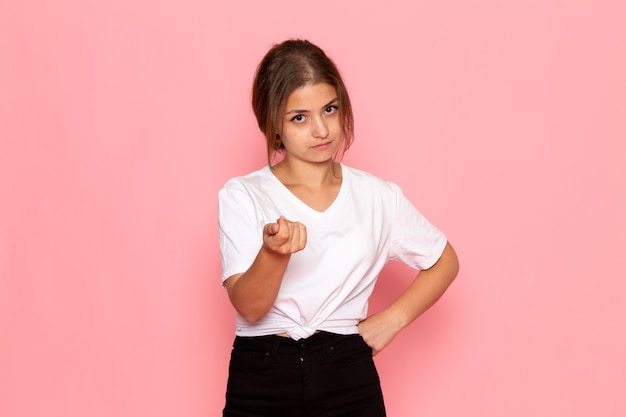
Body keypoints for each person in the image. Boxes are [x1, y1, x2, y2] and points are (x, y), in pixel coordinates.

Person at [218, 39, 459, 417]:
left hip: (347, 370)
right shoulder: (243, 195)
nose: (321, 129)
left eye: (329, 109)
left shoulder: (378, 196)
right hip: (262, 370)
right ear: (273, 125)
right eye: (299, 117)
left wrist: (392, 320)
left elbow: (444, 260)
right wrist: (274, 254)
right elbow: (250, 308)